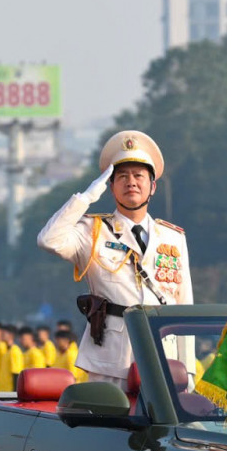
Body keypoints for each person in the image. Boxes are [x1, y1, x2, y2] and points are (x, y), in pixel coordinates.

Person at [36, 130, 193, 384]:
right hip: (111, 359)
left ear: (152, 186)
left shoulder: (173, 238)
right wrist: (86, 198)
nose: (131, 182)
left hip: (165, 356)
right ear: (110, 187)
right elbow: (48, 240)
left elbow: (185, 307)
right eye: (122, 176)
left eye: (139, 176)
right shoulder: (92, 231)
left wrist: (188, 372)